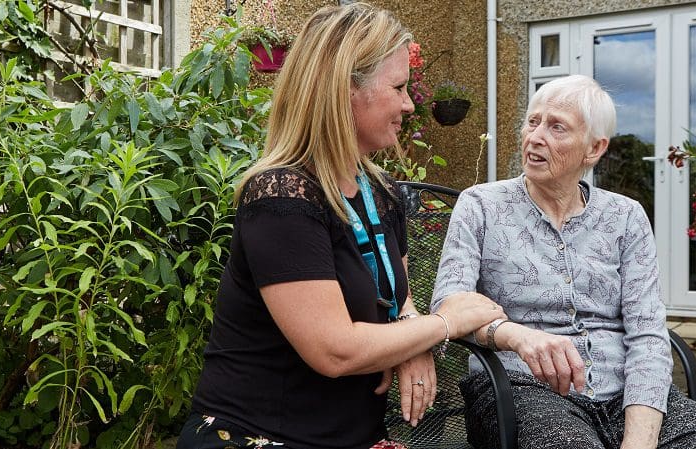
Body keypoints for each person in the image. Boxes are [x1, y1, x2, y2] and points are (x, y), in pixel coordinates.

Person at [177, 4, 505, 449]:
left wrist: (414, 341)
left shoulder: (380, 190)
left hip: (353, 436)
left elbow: (398, 294)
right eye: (399, 87)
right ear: (346, 90)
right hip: (258, 436)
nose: (409, 104)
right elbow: (335, 350)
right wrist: (444, 324)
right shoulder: (281, 195)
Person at [431, 75, 696, 449]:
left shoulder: (626, 216)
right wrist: (515, 336)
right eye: (533, 121)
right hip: (518, 387)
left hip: (623, 394)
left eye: (556, 128)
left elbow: (648, 334)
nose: (535, 137)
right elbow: (447, 308)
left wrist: (639, 439)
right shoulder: (481, 205)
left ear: (594, 149)